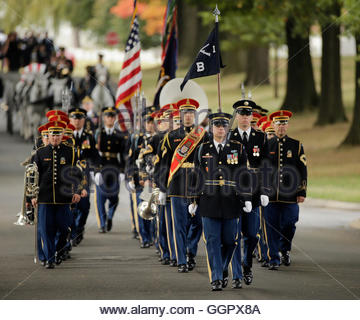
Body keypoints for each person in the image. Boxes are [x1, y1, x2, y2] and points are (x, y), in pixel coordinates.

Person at [191, 112, 251, 291]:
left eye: (224, 126)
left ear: (227, 128)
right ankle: (216, 277)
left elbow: (244, 176)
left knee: (230, 241)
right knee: (212, 240)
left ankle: (224, 268)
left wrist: (246, 198)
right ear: (212, 127)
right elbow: (196, 176)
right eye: (217, 125)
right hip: (209, 201)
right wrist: (192, 200)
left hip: (231, 201)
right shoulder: (202, 149)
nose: (221, 128)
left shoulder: (238, 148)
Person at [158, 99, 208, 273]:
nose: (187, 116)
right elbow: (163, 165)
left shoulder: (203, 135)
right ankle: (181, 260)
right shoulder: (170, 137)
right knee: (179, 225)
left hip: (198, 184)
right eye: (185, 113)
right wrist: (163, 189)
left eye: (191, 113)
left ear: (195, 115)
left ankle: (190, 252)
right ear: (180, 115)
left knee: (198, 223)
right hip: (177, 185)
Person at [229, 99, 270, 288]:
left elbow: (266, 166)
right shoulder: (229, 137)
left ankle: (247, 264)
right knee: (234, 236)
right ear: (236, 116)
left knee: (253, 234)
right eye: (241, 114)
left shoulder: (260, 138)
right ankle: (237, 274)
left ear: (252, 117)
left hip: (253, 193)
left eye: (248, 114)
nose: (244, 117)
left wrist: (264, 190)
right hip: (234, 193)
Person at [31, 121, 82, 269]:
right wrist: (32, 196)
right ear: (49, 135)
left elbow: (77, 174)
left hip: (64, 198)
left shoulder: (71, 152)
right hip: (45, 198)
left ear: (62, 136)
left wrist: (77, 191)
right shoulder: (40, 152)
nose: (55, 137)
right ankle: (50, 258)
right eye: (52, 135)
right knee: (46, 230)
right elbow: (34, 177)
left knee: (65, 228)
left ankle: (59, 251)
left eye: (58, 134)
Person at [264, 110, 307, 270]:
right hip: (270, 195)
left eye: (284, 123)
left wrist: (302, 191)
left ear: (287, 125)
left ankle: (285, 249)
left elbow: (303, 169)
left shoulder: (296, 145)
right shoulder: (266, 145)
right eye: (278, 123)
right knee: (271, 226)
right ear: (273, 125)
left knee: (290, 223)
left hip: (290, 195)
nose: (281, 126)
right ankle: (273, 258)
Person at [68, 107, 100, 244]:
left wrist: (97, 171)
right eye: (74, 118)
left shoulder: (89, 137)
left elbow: (95, 156)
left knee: (84, 205)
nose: (76, 121)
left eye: (79, 118)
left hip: (84, 174)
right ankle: (72, 232)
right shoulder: (66, 136)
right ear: (70, 119)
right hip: (68, 174)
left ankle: (80, 228)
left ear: (84, 120)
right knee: (71, 205)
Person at [94, 107, 127, 233]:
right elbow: (94, 154)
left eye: (112, 117)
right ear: (104, 118)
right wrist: (96, 171)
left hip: (114, 168)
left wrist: (123, 171)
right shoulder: (98, 134)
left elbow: (123, 154)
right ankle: (102, 224)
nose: (110, 119)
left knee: (114, 196)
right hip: (101, 167)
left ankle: (110, 216)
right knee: (101, 198)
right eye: (108, 116)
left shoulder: (119, 134)